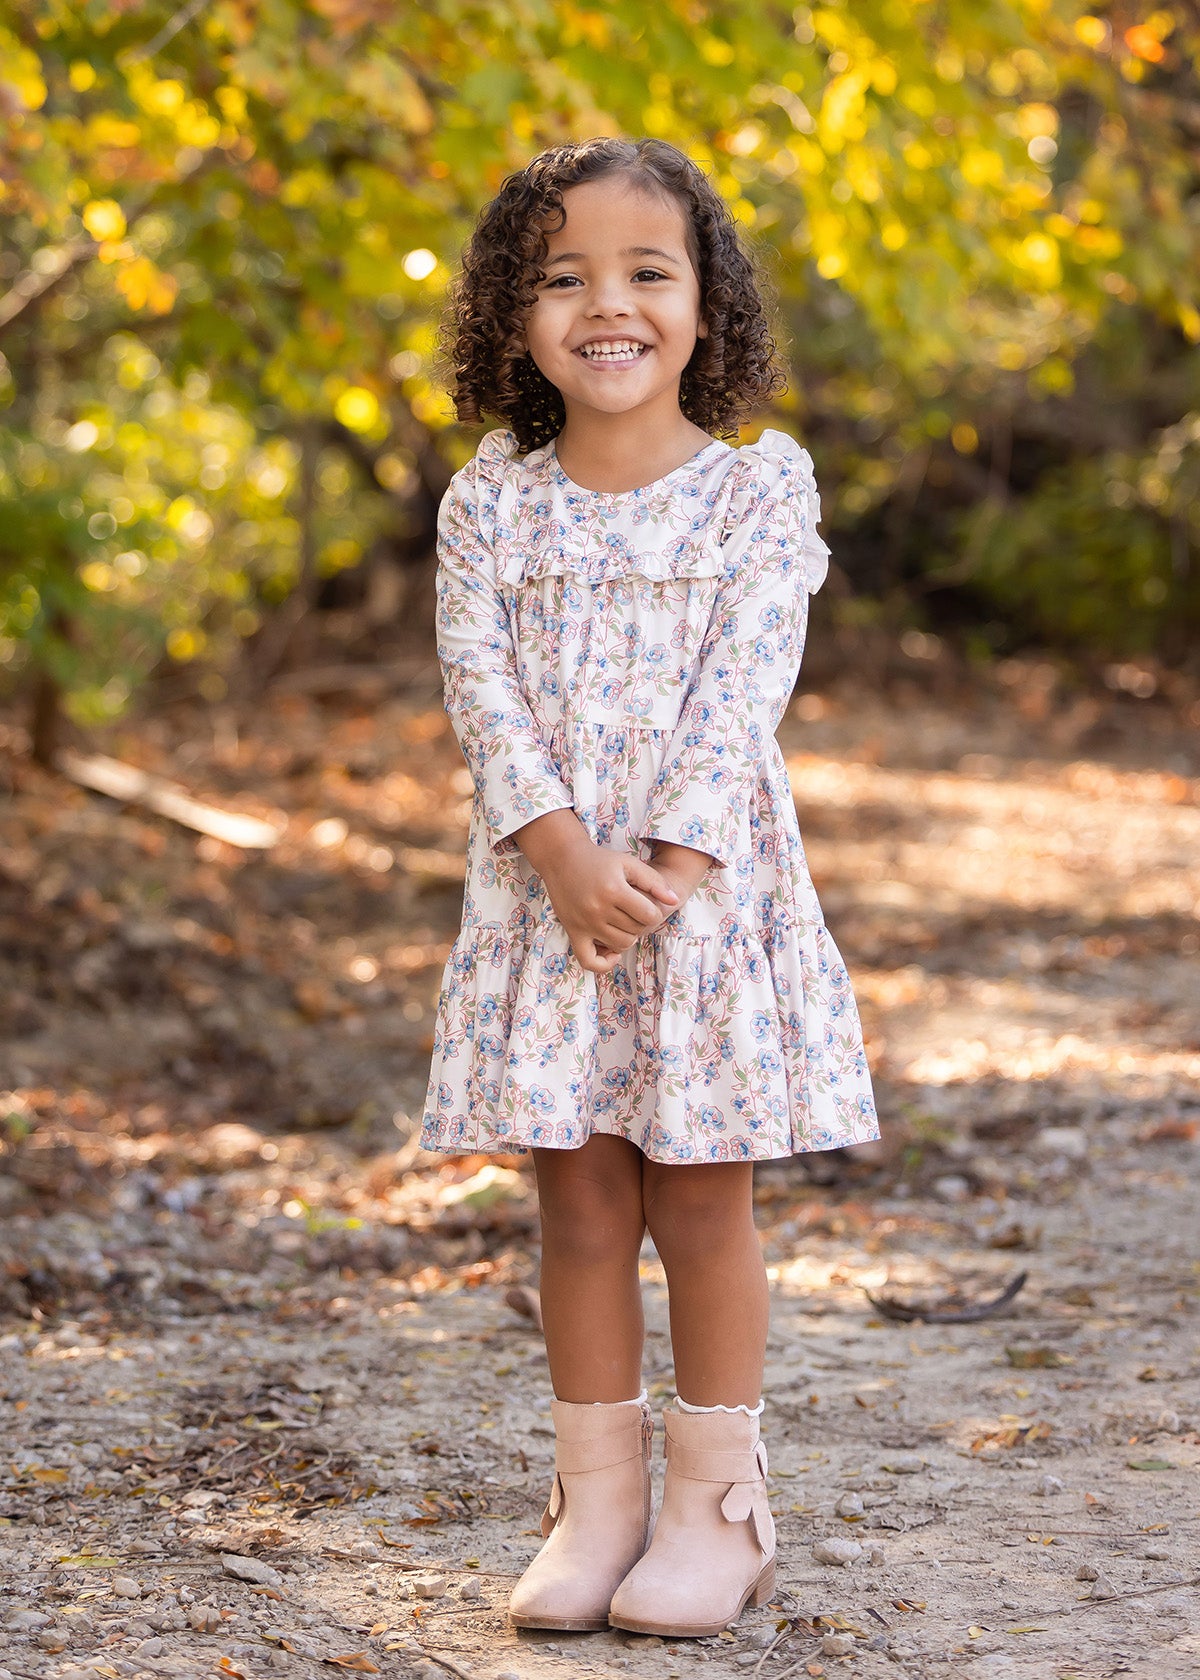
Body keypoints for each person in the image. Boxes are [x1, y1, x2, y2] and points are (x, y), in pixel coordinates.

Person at [420, 136, 879, 1639]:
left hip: (704, 905)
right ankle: (597, 1501)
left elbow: (747, 687)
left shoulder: (756, 492)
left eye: (645, 272)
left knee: (701, 1204)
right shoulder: (492, 504)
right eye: (562, 277)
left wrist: (661, 871)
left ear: (704, 303)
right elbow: (479, 689)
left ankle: (716, 1512)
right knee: (577, 1203)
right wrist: (560, 852)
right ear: (513, 312)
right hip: (549, 906)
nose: (604, 306)